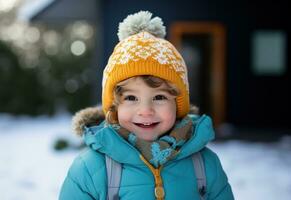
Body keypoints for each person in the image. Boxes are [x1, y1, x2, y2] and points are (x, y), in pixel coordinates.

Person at [59, 11, 234, 200]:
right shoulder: (90, 169)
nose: (145, 111)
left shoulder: (205, 166)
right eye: (131, 98)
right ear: (114, 107)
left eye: (159, 97)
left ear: (178, 103)